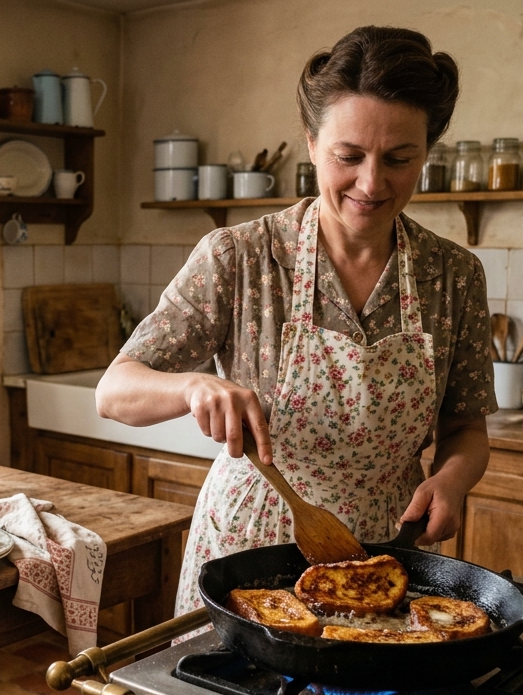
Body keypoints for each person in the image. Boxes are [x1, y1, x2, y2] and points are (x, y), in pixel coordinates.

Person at [96, 26, 497, 617]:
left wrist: (452, 480)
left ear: (426, 154)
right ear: (312, 144)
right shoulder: (240, 258)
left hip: (387, 550)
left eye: (399, 159)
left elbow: (466, 427)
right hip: (249, 547)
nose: (371, 183)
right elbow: (114, 392)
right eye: (348, 156)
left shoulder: (454, 276)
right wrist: (192, 386)